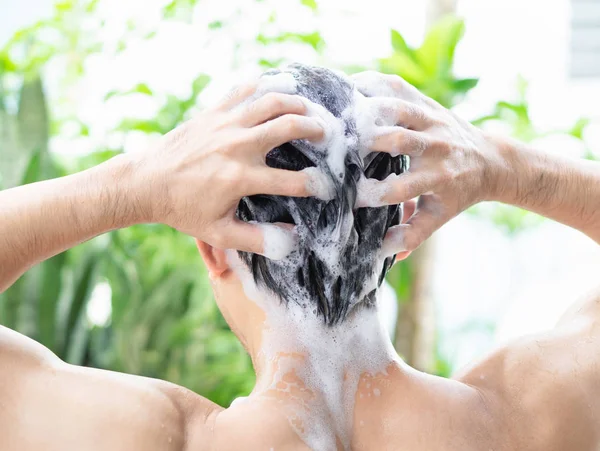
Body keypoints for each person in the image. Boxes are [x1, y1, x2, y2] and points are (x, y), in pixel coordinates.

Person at [0, 63, 599, 451]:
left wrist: (135, 184)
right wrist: (503, 166)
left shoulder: (139, 437)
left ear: (213, 249)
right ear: (400, 232)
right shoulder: (526, 418)